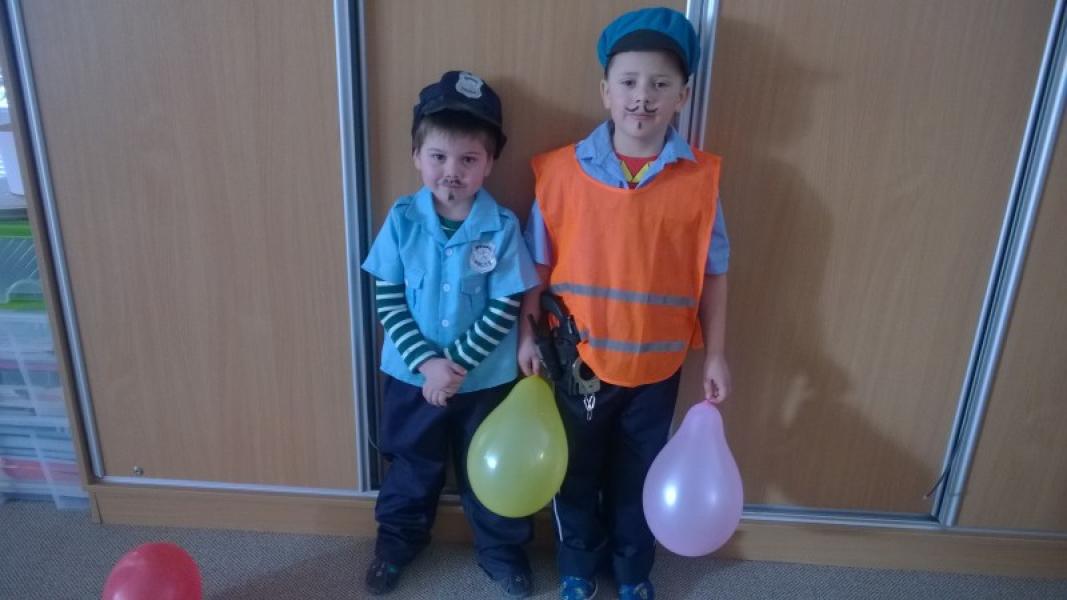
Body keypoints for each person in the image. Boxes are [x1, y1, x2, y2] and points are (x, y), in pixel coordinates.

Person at [517, 8, 733, 600]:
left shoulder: (700, 180)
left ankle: (634, 571)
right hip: (578, 362)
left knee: (641, 472)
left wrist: (716, 354)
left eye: (660, 84)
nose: (643, 97)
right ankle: (577, 567)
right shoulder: (560, 173)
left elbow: (715, 273)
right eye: (629, 81)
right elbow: (536, 266)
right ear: (605, 91)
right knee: (575, 469)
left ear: (682, 96)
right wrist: (526, 334)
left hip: (656, 368)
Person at [362, 70, 540, 598]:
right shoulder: (401, 220)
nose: (452, 172)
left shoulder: (502, 227)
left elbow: (506, 304)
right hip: (411, 377)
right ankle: (396, 545)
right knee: (410, 467)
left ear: (489, 164)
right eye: (438, 156)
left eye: (468, 159)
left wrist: (455, 365)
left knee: (489, 469)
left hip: (483, 382)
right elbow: (388, 298)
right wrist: (428, 365)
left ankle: (502, 552)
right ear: (417, 157)